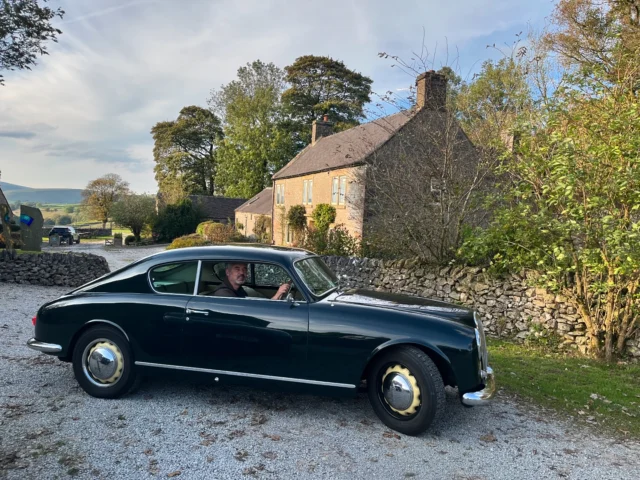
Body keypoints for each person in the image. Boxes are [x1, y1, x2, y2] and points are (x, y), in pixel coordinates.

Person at [213, 262, 291, 299]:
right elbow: (244, 313)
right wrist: (277, 294)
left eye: (244, 269)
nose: (242, 273)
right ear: (227, 272)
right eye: (237, 269)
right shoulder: (223, 294)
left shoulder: (239, 289)